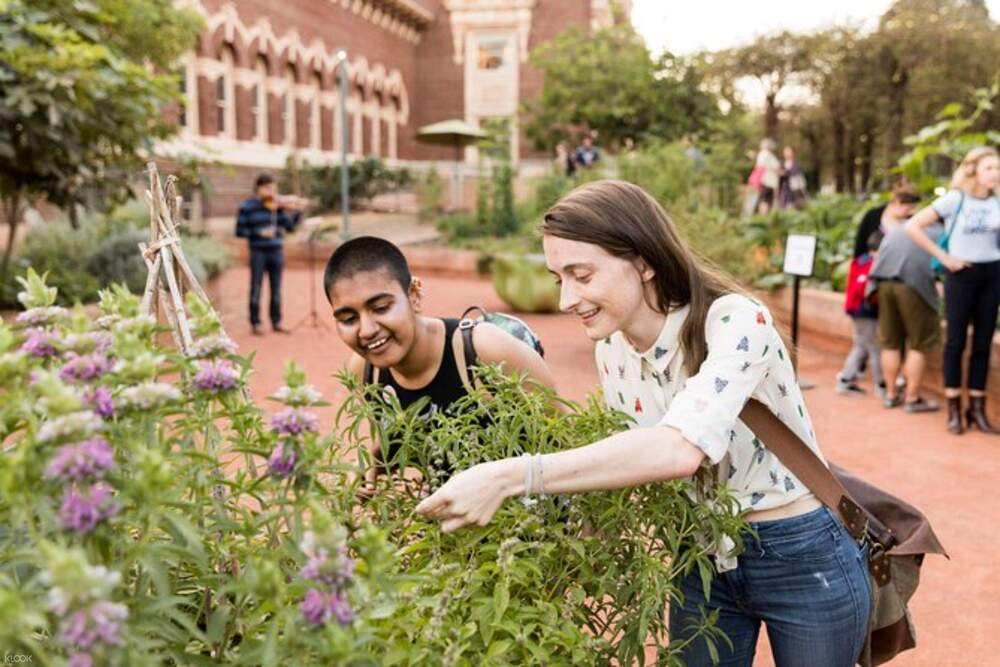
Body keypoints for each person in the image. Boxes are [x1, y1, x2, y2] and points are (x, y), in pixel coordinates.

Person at [416, 180, 872, 667]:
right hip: (698, 553)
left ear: (644, 262)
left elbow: (677, 451)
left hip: (800, 552)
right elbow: (631, 455)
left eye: (582, 275)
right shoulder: (611, 348)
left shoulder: (736, 321)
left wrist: (508, 476)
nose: (568, 298)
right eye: (558, 279)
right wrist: (568, 561)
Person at [323, 236, 558, 476]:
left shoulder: (482, 350)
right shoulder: (365, 373)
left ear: (413, 295)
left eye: (381, 308)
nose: (367, 330)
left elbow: (566, 436)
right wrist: (373, 463)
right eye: (348, 319)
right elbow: (406, 439)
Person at [904, 147, 1000, 434]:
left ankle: (978, 409)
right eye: (989, 168)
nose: (995, 173)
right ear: (973, 171)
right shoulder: (956, 199)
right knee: (955, 343)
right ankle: (954, 410)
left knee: (982, 344)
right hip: (961, 275)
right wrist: (946, 260)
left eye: (998, 168)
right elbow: (913, 226)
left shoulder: (997, 200)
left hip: (993, 274)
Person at [841, 183, 922, 390]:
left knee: (876, 339)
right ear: (896, 202)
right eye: (907, 207)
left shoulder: (911, 221)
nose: (909, 212)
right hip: (870, 293)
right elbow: (859, 252)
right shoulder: (873, 217)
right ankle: (879, 381)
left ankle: (855, 378)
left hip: (898, 283)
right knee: (874, 342)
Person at [868, 201, 943, 414]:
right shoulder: (939, 231)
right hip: (912, 286)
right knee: (919, 344)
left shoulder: (901, 227)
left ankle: (891, 395)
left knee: (890, 343)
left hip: (883, 283)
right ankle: (912, 398)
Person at [235, 174, 305, 335]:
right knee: (256, 287)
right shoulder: (247, 207)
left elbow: (290, 228)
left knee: (276, 289)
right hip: (258, 252)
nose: (272, 192)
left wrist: (298, 213)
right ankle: (255, 323)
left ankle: (276, 322)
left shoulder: (277, 208)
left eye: (274, 188)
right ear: (258, 188)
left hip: (276, 251)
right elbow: (239, 231)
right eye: (268, 188)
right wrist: (259, 233)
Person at [837, 231, 885, 396]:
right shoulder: (875, 263)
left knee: (861, 346)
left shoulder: (860, 261)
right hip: (865, 311)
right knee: (874, 348)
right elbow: (866, 289)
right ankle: (881, 384)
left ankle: (846, 379)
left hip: (855, 309)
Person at [754, 139, 781, 215]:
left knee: (766, 200)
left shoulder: (764, 155)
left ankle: (764, 217)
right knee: (765, 200)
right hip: (767, 182)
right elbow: (775, 168)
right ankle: (763, 218)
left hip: (768, 182)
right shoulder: (766, 155)